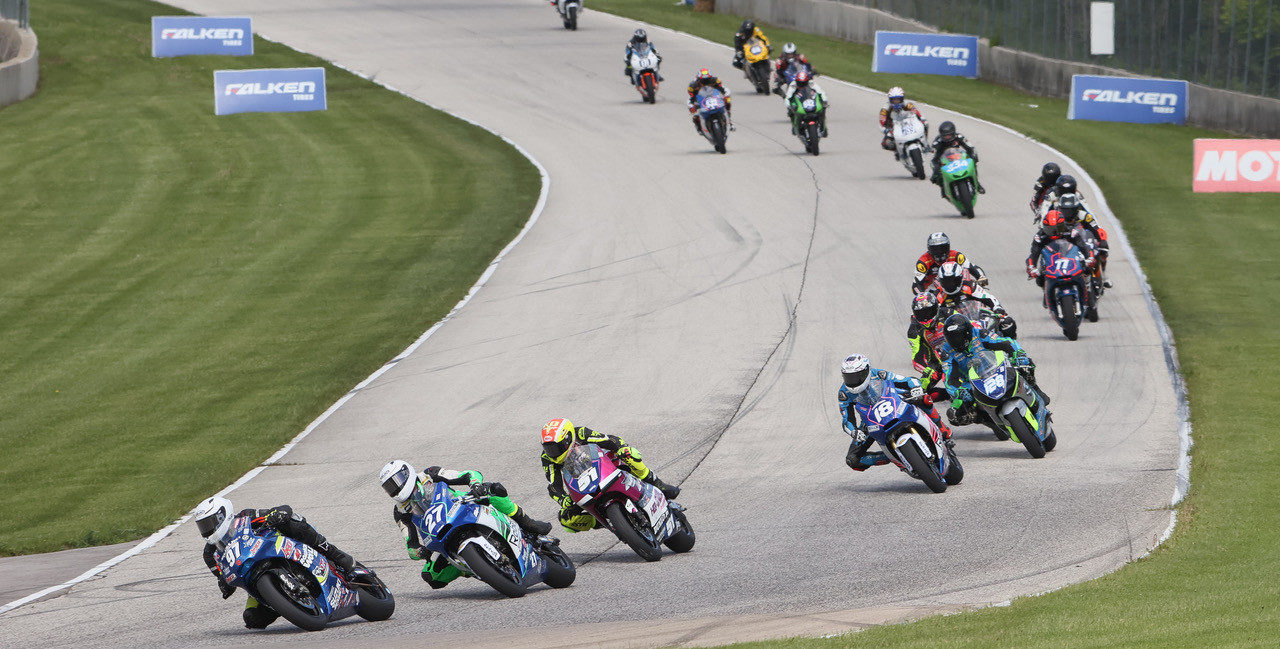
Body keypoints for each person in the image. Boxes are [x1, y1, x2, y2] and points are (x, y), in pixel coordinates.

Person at [378, 460, 552, 589]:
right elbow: (411, 544)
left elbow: (468, 474)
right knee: (432, 577)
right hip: (441, 532)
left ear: (407, 473)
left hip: (464, 506)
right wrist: (419, 551)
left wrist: (475, 485)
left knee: (495, 490)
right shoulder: (400, 511)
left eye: (396, 482)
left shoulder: (430, 474)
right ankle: (470, 567)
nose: (395, 489)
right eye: (389, 487)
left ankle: (528, 523)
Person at [195, 497, 357, 629]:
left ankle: (333, 553)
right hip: (252, 578)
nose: (207, 530)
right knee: (252, 618)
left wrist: (277, 514)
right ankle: (285, 603)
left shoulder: (245, 516)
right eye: (203, 526)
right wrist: (224, 584)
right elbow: (220, 574)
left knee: (293, 522)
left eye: (209, 523)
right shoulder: (210, 554)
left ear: (223, 516)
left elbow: (280, 510)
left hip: (274, 548)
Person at [541, 418, 681, 532]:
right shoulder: (548, 458)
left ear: (568, 439)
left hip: (607, 465)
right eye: (548, 448)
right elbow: (554, 487)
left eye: (555, 447)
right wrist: (563, 500)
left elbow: (611, 440)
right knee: (566, 520)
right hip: (584, 485)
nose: (552, 452)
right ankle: (603, 520)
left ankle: (657, 484)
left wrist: (622, 448)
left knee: (629, 454)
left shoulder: (581, 434)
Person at [837, 354, 952, 473]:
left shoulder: (878, 374)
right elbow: (847, 420)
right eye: (848, 377)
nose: (852, 381)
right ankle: (896, 457)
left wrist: (916, 387)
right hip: (870, 419)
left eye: (856, 376)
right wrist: (854, 432)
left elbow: (905, 380)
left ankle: (941, 428)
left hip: (895, 400)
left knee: (924, 398)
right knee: (853, 460)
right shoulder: (844, 393)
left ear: (866, 370)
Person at [936, 314, 1045, 426]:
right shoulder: (947, 352)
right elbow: (949, 379)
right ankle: (986, 420)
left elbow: (1007, 342)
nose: (955, 341)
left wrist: (1018, 354)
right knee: (955, 415)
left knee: (1025, 364)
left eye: (958, 336)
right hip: (973, 383)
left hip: (997, 368)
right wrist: (959, 391)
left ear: (967, 332)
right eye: (951, 338)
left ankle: (1034, 387)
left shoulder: (980, 334)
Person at [1025, 209, 1099, 287]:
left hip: (1070, 257)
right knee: (1040, 280)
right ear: (1045, 227)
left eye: (1058, 228)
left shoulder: (1071, 232)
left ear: (1063, 225)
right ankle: (1047, 292)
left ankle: (1088, 285)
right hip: (1051, 261)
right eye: (1050, 229)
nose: (1054, 232)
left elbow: (1083, 246)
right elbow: (1034, 253)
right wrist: (1031, 267)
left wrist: (1089, 258)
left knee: (1087, 269)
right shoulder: (1039, 237)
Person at [1054, 192, 1112, 288]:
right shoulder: (1057, 217)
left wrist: (1101, 240)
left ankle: (1104, 276)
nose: (1067, 213)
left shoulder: (1085, 216)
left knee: (1102, 250)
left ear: (1076, 208)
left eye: (1070, 210)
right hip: (1064, 242)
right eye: (1065, 210)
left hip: (1084, 240)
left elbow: (1095, 229)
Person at [906, 292, 949, 403]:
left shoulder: (947, 312)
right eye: (921, 314)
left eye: (928, 311)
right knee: (919, 393)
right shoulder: (914, 330)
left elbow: (967, 322)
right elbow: (916, 358)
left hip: (959, 350)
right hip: (937, 362)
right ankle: (947, 395)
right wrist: (927, 369)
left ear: (936, 309)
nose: (925, 317)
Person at [912, 231, 986, 294]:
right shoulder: (923, 262)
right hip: (933, 291)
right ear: (929, 249)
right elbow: (916, 284)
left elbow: (970, 266)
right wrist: (922, 295)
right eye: (935, 249)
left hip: (957, 285)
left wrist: (981, 277)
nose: (940, 252)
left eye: (943, 248)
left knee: (977, 292)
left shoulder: (956, 256)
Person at [929, 121, 984, 198]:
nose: (947, 137)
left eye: (949, 135)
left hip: (958, 157)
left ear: (953, 133)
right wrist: (936, 168)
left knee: (972, 163)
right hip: (944, 160)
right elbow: (933, 158)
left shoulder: (959, 137)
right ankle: (943, 188)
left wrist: (973, 156)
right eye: (945, 136)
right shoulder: (937, 142)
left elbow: (970, 147)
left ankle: (977, 184)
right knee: (936, 175)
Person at [878, 86, 927, 158]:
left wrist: (919, 117)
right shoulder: (885, 108)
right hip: (893, 126)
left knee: (925, 124)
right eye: (894, 100)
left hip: (908, 122)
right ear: (890, 100)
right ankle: (897, 151)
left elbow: (915, 111)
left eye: (898, 99)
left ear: (902, 98)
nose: (896, 101)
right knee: (885, 144)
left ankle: (925, 144)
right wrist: (887, 128)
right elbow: (882, 120)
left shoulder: (907, 103)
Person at [687, 68, 733, 135]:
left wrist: (726, 96)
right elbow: (691, 97)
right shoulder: (693, 86)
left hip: (714, 98)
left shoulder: (715, 81)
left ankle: (729, 121)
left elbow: (723, 89)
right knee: (695, 115)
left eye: (707, 80)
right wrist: (692, 106)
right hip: (700, 100)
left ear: (710, 78)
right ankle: (699, 127)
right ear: (699, 79)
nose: (705, 82)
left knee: (728, 102)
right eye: (703, 80)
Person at [786, 71, 829, 137]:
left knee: (823, 108)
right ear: (797, 80)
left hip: (810, 99)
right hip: (798, 100)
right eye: (800, 83)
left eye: (804, 83)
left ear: (807, 80)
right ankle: (794, 125)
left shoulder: (811, 83)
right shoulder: (793, 84)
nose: (802, 84)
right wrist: (788, 105)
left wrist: (824, 100)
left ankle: (823, 126)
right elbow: (788, 96)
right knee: (790, 111)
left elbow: (820, 91)